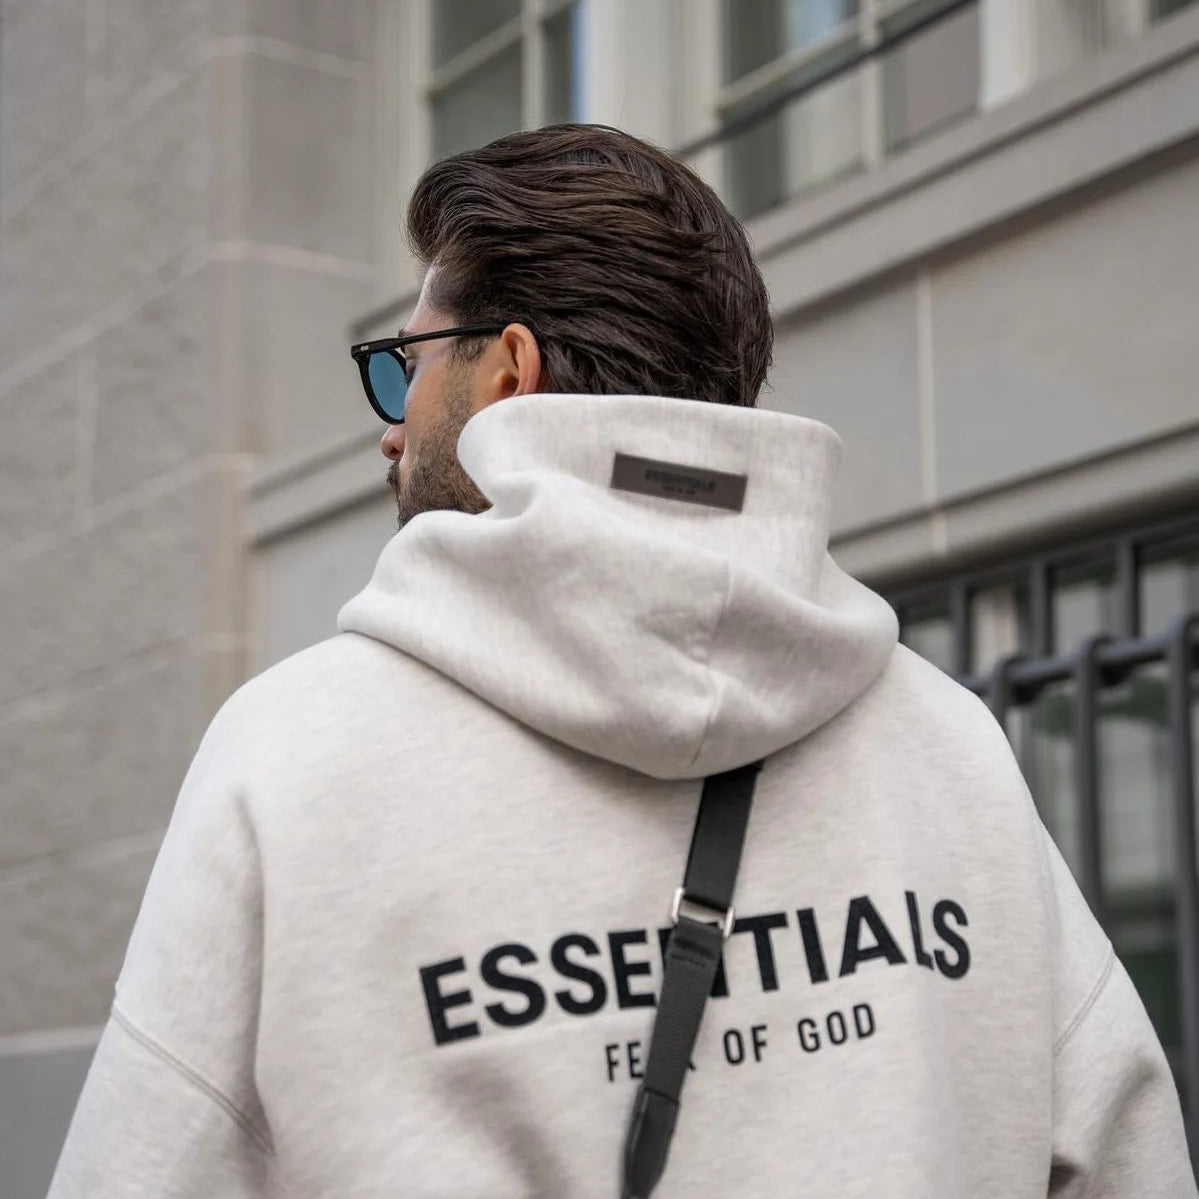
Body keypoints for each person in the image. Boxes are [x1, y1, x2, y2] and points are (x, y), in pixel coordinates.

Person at [48, 124, 1195, 1198]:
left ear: (506, 368)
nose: (390, 426)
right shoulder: (944, 742)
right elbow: (1124, 1155)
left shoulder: (291, 755)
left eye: (406, 363)